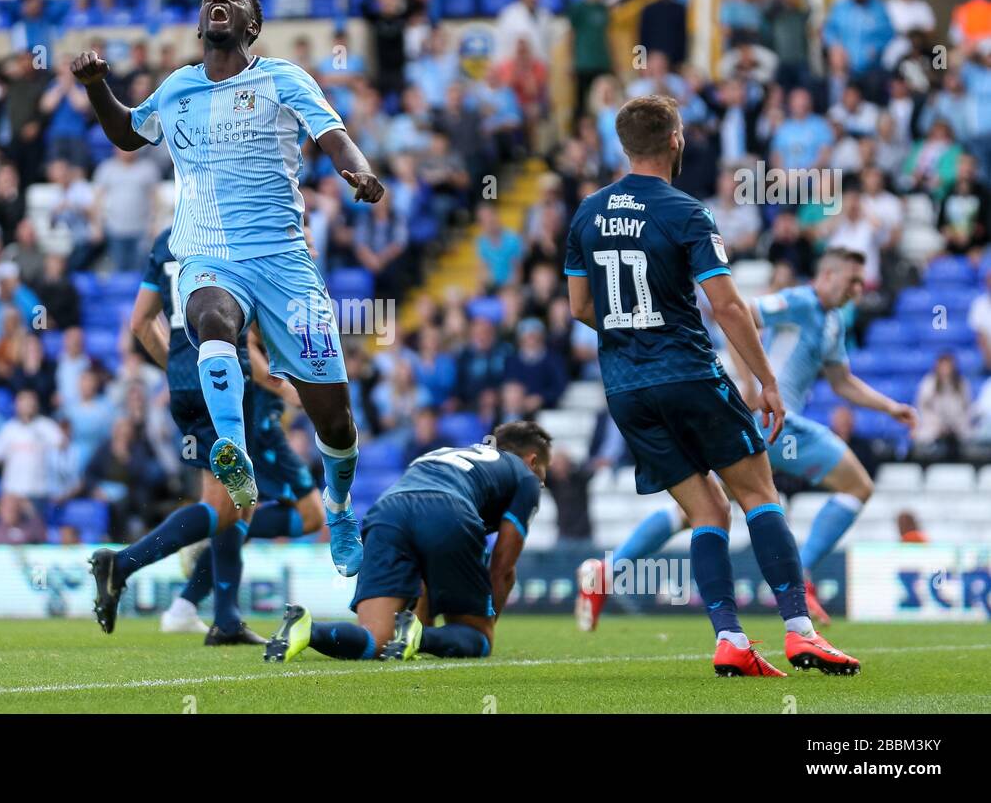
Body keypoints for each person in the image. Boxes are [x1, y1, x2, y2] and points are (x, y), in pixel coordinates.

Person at [72, 0, 383, 584]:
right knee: (211, 317)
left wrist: (360, 173)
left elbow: (332, 137)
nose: (220, 0)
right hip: (208, 252)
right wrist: (95, 88)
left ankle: (340, 510)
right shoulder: (178, 87)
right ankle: (234, 451)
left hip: (285, 263)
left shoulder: (284, 77)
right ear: (199, 23)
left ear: (251, 25)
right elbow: (128, 134)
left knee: (336, 423)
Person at [563, 94, 858, 676]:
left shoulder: (586, 214)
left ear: (624, 146)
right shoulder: (686, 212)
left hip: (626, 388)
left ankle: (730, 639)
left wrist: (634, 330)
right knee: (757, 494)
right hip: (688, 373)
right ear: (676, 140)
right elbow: (725, 304)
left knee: (706, 511)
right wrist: (767, 381)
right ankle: (800, 631)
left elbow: (579, 307)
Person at [581, 248, 919, 630]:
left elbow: (842, 382)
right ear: (826, 275)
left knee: (700, 508)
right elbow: (740, 313)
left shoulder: (832, 322)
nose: (858, 289)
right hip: (773, 421)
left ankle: (607, 573)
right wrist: (749, 381)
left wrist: (891, 408)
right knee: (856, 484)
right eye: (851, 280)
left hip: (767, 425)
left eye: (861, 281)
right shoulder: (800, 300)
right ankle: (801, 577)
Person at [124, 227, 325, 641]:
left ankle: (200, 603)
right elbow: (245, 342)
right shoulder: (250, 252)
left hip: (237, 401)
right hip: (253, 408)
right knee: (270, 511)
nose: (310, 244)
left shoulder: (174, 242)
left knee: (242, 506)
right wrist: (287, 390)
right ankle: (170, 568)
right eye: (302, 236)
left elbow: (143, 321)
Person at [263, 421, 549, 663]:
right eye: (543, 476)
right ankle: (421, 635)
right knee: (478, 639)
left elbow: (423, 547)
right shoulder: (525, 476)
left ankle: (308, 629)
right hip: (449, 509)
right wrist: (483, 623)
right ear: (533, 460)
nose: (541, 483)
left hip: (387, 510)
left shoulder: (445, 454)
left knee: (376, 638)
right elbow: (502, 567)